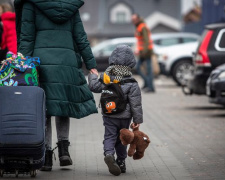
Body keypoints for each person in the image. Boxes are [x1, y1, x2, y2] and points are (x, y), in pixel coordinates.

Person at [14, 0, 98, 171]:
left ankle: (46, 155)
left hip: (41, 63)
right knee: (62, 105)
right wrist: (91, 64)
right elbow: (80, 37)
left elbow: (27, 38)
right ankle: (64, 150)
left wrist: (21, 65)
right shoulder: (70, 6)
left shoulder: (32, 4)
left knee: (44, 109)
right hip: (66, 64)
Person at [88, 45, 143, 176]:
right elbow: (135, 103)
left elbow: (94, 87)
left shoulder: (106, 77)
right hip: (125, 116)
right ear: (131, 62)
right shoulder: (131, 81)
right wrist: (137, 120)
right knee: (122, 138)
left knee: (109, 136)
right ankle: (121, 161)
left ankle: (108, 154)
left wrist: (93, 76)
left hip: (109, 114)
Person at [132, 13, 155, 93]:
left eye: (134, 20)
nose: (133, 21)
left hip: (146, 51)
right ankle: (147, 84)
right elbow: (139, 41)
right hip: (143, 52)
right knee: (139, 68)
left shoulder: (142, 27)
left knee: (148, 70)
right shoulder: (138, 27)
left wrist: (144, 51)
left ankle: (150, 87)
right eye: (132, 20)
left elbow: (146, 40)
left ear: (138, 19)